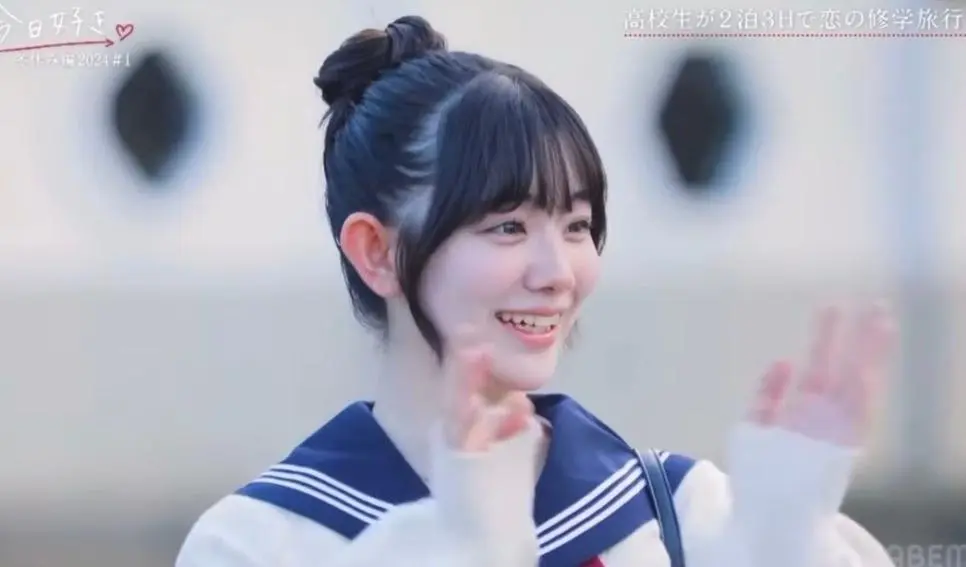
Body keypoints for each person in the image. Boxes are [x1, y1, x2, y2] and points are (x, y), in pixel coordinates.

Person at [175, 15, 897, 567]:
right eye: (508, 226)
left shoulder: (678, 513)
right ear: (377, 251)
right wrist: (463, 543)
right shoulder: (262, 540)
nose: (558, 272)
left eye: (577, 225)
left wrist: (784, 538)